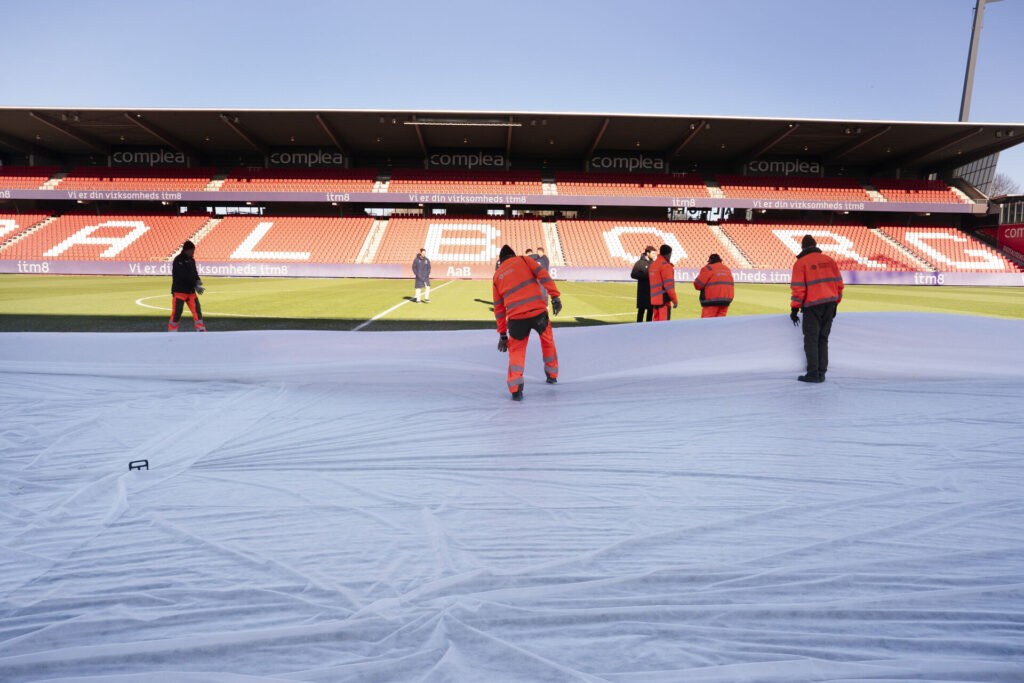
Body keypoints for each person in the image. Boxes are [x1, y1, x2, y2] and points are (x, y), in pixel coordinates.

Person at [493, 244, 562, 401]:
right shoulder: (524, 260)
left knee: (516, 352)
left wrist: (503, 334)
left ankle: (516, 389)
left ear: (501, 260)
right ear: (513, 255)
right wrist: (555, 296)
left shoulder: (497, 276)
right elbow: (543, 275)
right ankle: (552, 375)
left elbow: (498, 309)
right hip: (538, 312)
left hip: (516, 319)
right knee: (547, 342)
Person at [789, 234, 843, 383]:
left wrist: (794, 309)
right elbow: (839, 284)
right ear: (815, 245)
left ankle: (813, 373)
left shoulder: (801, 263)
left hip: (813, 306)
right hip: (830, 304)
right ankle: (821, 373)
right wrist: (836, 302)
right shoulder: (829, 260)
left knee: (811, 339)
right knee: (823, 339)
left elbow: (798, 289)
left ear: (803, 247)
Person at [169, 240, 206, 332]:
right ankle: (172, 331)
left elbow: (194, 273)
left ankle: (200, 329)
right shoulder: (178, 260)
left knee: (197, 311)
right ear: (186, 250)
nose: (193, 252)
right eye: (192, 250)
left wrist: (198, 280)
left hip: (190, 292)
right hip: (179, 292)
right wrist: (195, 285)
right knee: (177, 313)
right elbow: (184, 276)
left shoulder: (192, 260)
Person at [693, 253, 734, 317]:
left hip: (711, 301)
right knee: (719, 323)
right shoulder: (727, 269)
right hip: (726, 300)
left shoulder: (708, 268)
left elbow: (698, 284)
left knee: (707, 323)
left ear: (710, 261)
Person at [648, 244, 677, 321]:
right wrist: (675, 300)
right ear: (668, 254)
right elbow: (669, 286)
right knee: (664, 327)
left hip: (654, 301)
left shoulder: (653, 265)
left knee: (656, 326)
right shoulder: (666, 266)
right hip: (664, 301)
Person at [631, 245, 656, 322]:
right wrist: (646, 276)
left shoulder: (654, 264)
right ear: (647, 253)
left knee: (650, 312)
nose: (654, 255)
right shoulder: (639, 263)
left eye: (655, 254)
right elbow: (633, 274)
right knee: (641, 312)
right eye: (653, 253)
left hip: (651, 292)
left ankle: (648, 329)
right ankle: (638, 328)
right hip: (642, 291)